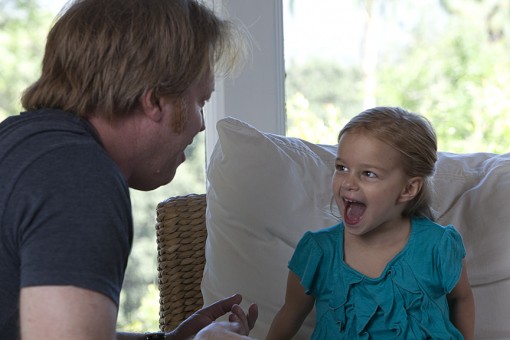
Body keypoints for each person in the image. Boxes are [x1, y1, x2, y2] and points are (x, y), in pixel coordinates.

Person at [0, 0, 258, 339]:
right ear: (154, 101)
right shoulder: (81, 180)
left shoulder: (22, 141)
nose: (201, 125)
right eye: (200, 102)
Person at [266, 107, 475, 339]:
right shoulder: (318, 252)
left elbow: (461, 298)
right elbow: (289, 315)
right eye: (342, 168)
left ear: (408, 188)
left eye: (368, 173)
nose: (348, 182)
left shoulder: (439, 246)